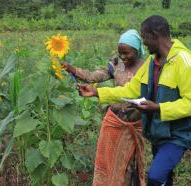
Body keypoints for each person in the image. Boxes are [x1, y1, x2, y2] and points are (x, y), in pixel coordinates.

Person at [77, 15, 191, 186]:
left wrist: (158, 108)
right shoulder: (152, 61)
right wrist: (97, 93)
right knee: (165, 177)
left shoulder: (185, 62)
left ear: (154, 35)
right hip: (159, 130)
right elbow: (131, 90)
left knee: (155, 177)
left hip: (179, 133)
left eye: (144, 38)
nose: (143, 43)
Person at [61, 29, 146, 186]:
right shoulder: (116, 66)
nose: (123, 57)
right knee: (110, 160)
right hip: (115, 122)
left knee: (130, 164)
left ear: (137, 49)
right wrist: (71, 69)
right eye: (120, 53)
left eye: (127, 53)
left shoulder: (147, 69)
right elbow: (94, 76)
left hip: (135, 125)